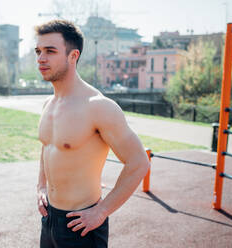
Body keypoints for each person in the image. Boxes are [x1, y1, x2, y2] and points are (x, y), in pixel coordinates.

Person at [35, 20, 150, 248]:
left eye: (50, 51)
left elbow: (139, 162)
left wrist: (102, 211)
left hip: (82, 225)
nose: (41, 58)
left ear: (73, 56)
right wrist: (41, 186)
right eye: (38, 51)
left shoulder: (98, 106)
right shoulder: (49, 103)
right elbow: (47, 146)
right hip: (49, 218)